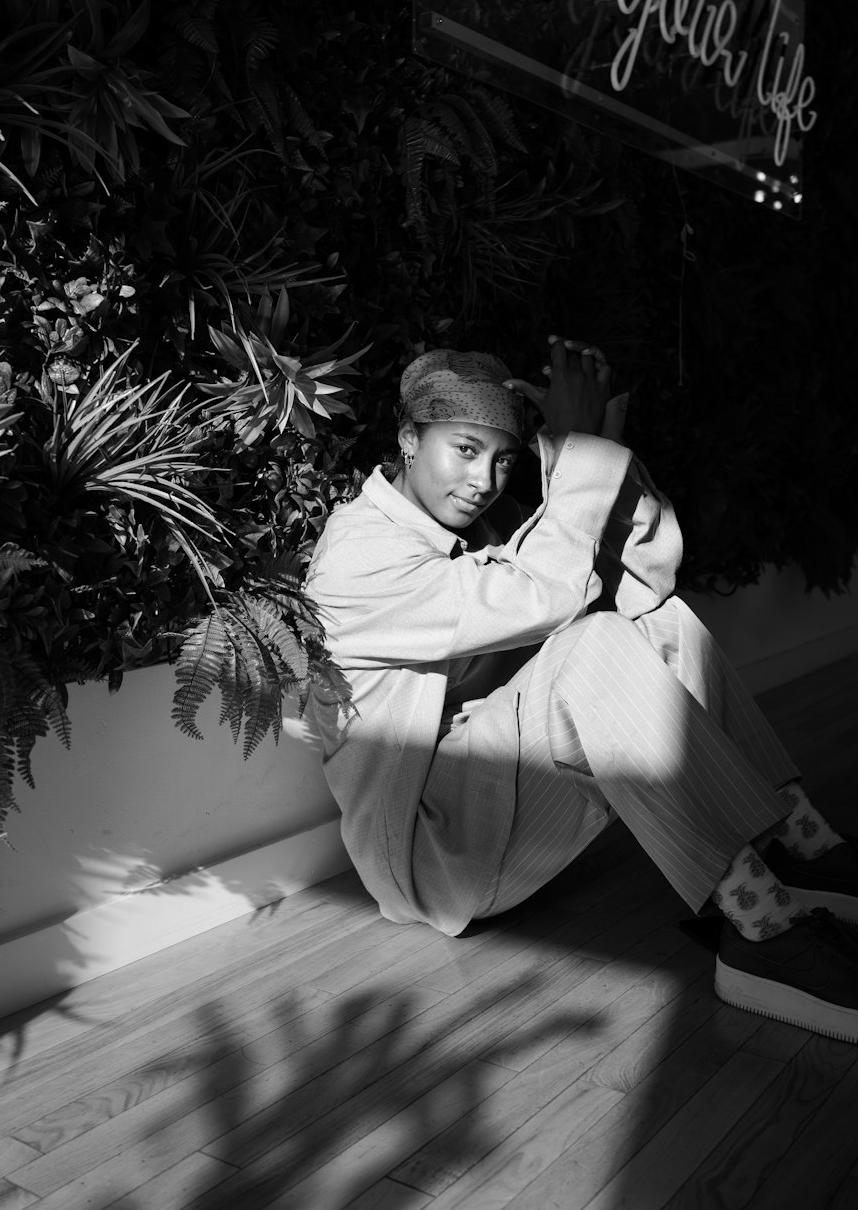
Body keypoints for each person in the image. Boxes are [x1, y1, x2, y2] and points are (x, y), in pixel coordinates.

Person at [303, 342, 858, 1042]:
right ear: (410, 439)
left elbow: (647, 581)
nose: (485, 479)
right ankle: (764, 933)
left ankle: (797, 843)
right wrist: (584, 445)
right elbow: (545, 595)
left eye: (504, 459)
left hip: (487, 790)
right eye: (466, 449)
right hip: (429, 855)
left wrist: (590, 448)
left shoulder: (482, 524)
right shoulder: (355, 557)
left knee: (662, 622)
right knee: (590, 645)